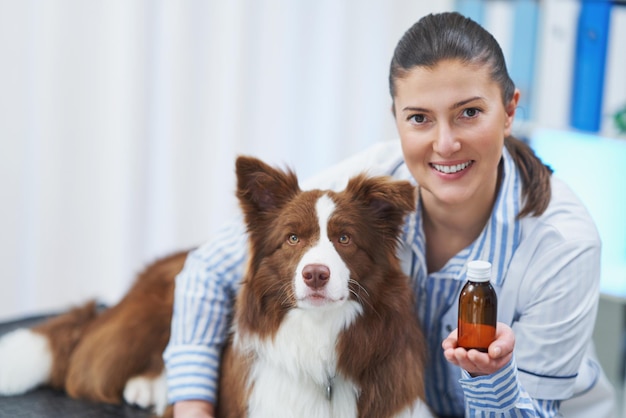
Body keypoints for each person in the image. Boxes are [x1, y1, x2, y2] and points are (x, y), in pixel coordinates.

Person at [164, 12, 615, 417]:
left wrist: (493, 379)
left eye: (469, 113)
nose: (445, 144)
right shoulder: (373, 182)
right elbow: (205, 271)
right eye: (420, 118)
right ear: (396, 118)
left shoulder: (564, 244)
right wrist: (192, 407)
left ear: (510, 110)